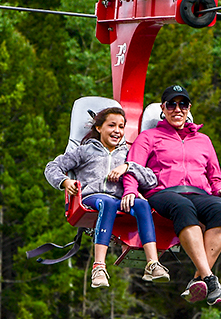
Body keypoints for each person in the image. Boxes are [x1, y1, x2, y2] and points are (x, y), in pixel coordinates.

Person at [123, 85, 221, 306]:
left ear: (188, 108)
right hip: (164, 192)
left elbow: (215, 175)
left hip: (199, 192)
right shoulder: (149, 137)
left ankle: (198, 281)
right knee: (183, 207)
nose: (177, 109)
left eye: (182, 104)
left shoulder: (203, 140)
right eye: (171, 104)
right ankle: (209, 279)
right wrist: (130, 191)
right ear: (163, 108)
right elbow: (132, 167)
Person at [44, 107, 170, 288]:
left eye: (121, 127)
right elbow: (52, 167)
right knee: (108, 202)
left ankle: (152, 263)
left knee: (142, 204)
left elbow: (151, 179)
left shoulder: (127, 153)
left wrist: (128, 167)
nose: (117, 131)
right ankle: (99, 267)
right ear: (98, 128)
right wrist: (64, 182)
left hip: (119, 200)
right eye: (111, 125)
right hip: (92, 197)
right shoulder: (84, 151)